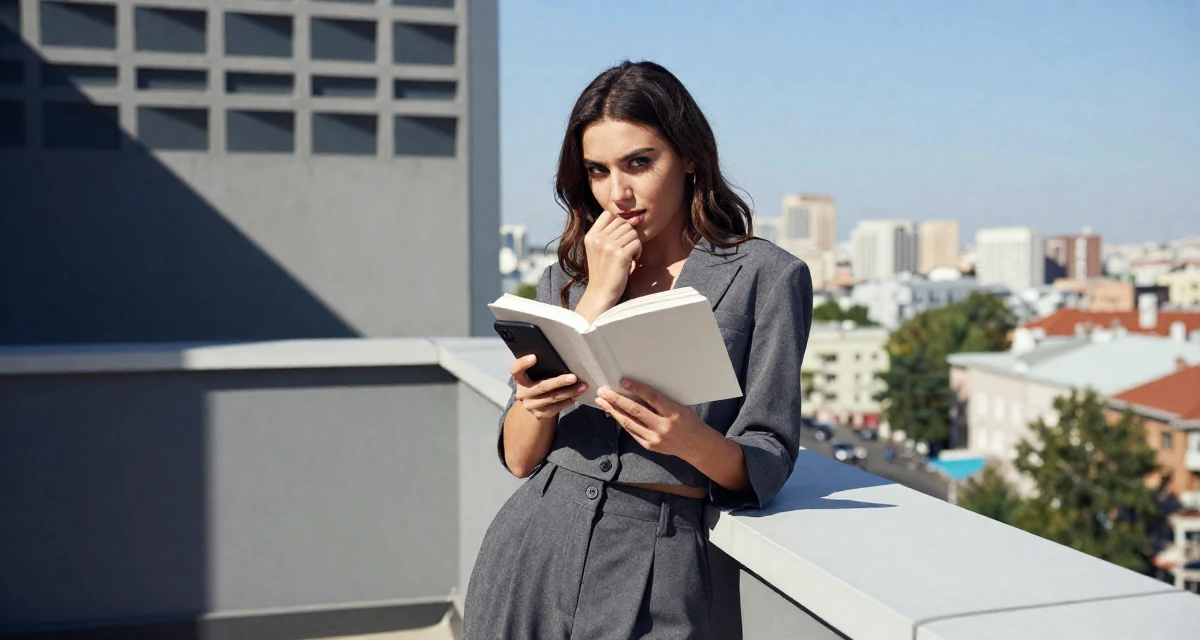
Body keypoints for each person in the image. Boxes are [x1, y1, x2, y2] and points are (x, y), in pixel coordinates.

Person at [464, 61, 813, 640]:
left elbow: (769, 457)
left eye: (639, 163)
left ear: (690, 158)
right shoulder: (567, 278)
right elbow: (520, 459)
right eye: (598, 171)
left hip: (659, 556)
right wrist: (599, 291)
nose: (617, 193)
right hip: (533, 543)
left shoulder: (766, 276)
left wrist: (688, 439)